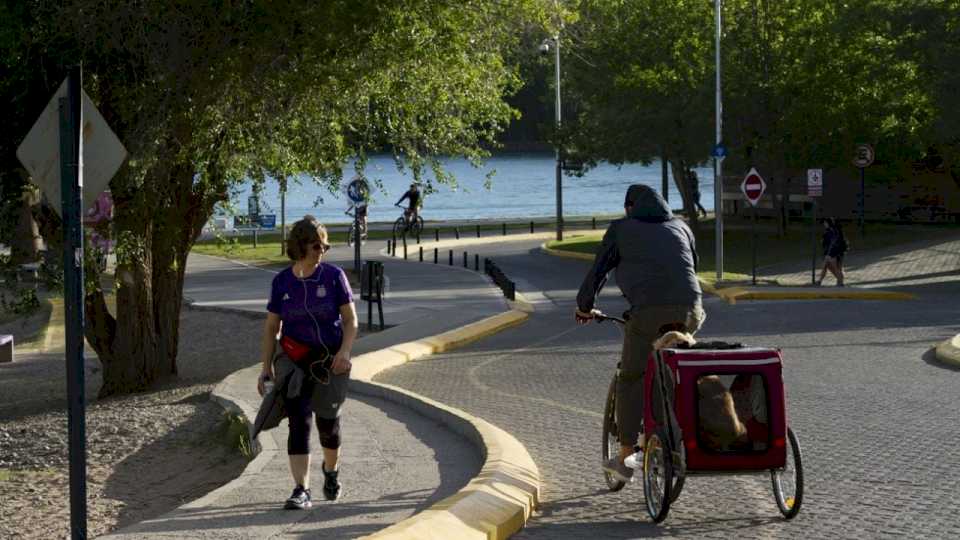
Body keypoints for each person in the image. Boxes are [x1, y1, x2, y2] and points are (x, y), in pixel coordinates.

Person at [575, 184, 705, 483]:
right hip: (691, 309)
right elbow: (691, 267)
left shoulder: (622, 229)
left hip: (648, 313)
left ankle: (624, 457)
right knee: (672, 369)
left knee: (632, 377)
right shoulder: (681, 227)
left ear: (630, 207)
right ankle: (671, 432)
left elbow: (599, 271)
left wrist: (585, 307)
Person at [256, 216, 358, 509]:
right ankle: (301, 489)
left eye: (325, 245)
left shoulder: (334, 276)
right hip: (294, 359)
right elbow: (271, 328)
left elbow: (350, 321)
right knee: (299, 420)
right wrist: (266, 367)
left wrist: (345, 352)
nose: (322, 250)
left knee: (329, 425)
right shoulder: (282, 282)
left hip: (330, 359)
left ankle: (331, 470)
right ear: (300, 246)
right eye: (316, 245)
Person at [817, 217, 847, 286]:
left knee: (832, 267)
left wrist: (830, 252)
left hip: (832, 252)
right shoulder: (835, 230)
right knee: (830, 266)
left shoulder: (831, 231)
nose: (824, 224)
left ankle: (840, 281)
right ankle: (839, 281)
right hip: (837, 252)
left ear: (828, 223)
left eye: (825, 223)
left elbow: (830, 242)